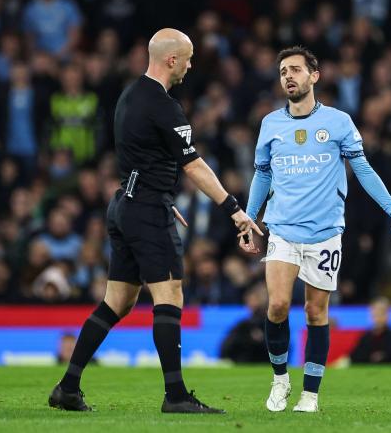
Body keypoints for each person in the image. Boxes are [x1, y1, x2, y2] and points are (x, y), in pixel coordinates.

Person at [49, 28, 261, 414]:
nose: (192, 65)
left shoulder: (129, 96)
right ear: (171, 60)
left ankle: (68, 386)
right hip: (145, 208)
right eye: (189, 58)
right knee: (170, 295)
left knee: (117, 301)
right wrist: (234, 209)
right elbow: (194, 165)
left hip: (126, 203)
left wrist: (159, 193)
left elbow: (138, 155)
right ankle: (176, 395)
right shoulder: (165, 105)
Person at [241, 46, 391, 413]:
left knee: (316, 313)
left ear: (314, 76)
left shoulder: (338, 122)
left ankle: (310, 395)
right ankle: (280, 380)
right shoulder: (271, 123)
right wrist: (250, 216)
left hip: (325, 233)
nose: (288, 76)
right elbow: (262, 173)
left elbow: (364, 170)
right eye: (283, 71)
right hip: (283, 229)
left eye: (296, 70)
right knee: (276, 305)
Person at [349, 297, 391, 365]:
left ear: (388, 315)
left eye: (381, 312)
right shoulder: (366, 337)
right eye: (375, 312)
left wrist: (382, 358)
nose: (378, 316)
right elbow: (354, 357)